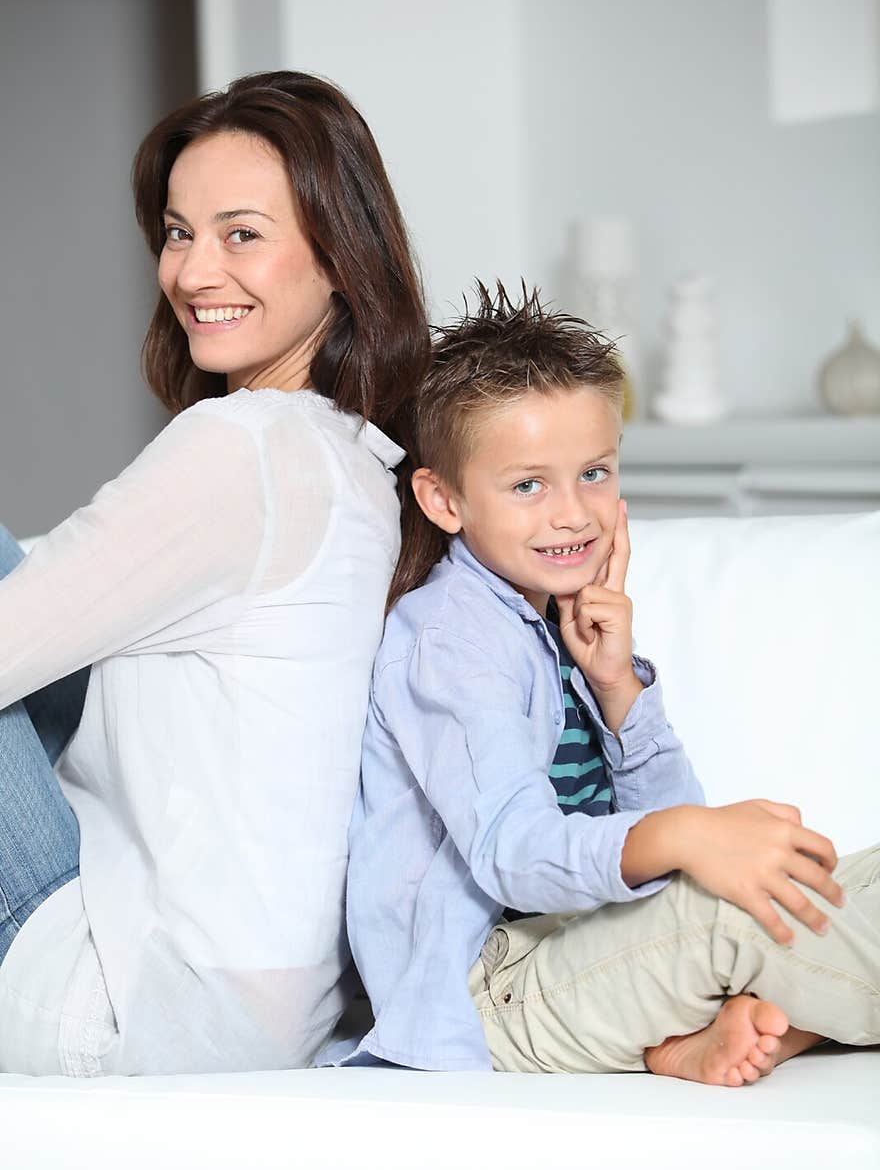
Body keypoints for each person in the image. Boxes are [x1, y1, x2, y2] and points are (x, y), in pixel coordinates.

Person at [330, 281, 880, 1085]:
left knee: (822, 877)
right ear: (443, 499)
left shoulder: (561, 618)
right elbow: (514, 854)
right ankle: (738, 1018)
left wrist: (619, 687)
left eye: (594, 472)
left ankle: (693, 1038)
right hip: (493, 992)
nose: (574, 513)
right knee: (732, 911)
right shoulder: (451, 641)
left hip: (592, 943)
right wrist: (687, 835)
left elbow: (662, 821)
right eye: (528, 485)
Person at [0, 71, 430, 1076]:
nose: (194, 271)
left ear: (338, 253)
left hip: (135, 1014)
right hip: (266, 1014)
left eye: (241, 233)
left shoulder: (241, 449)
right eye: (178, 231)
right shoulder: (359, 455)